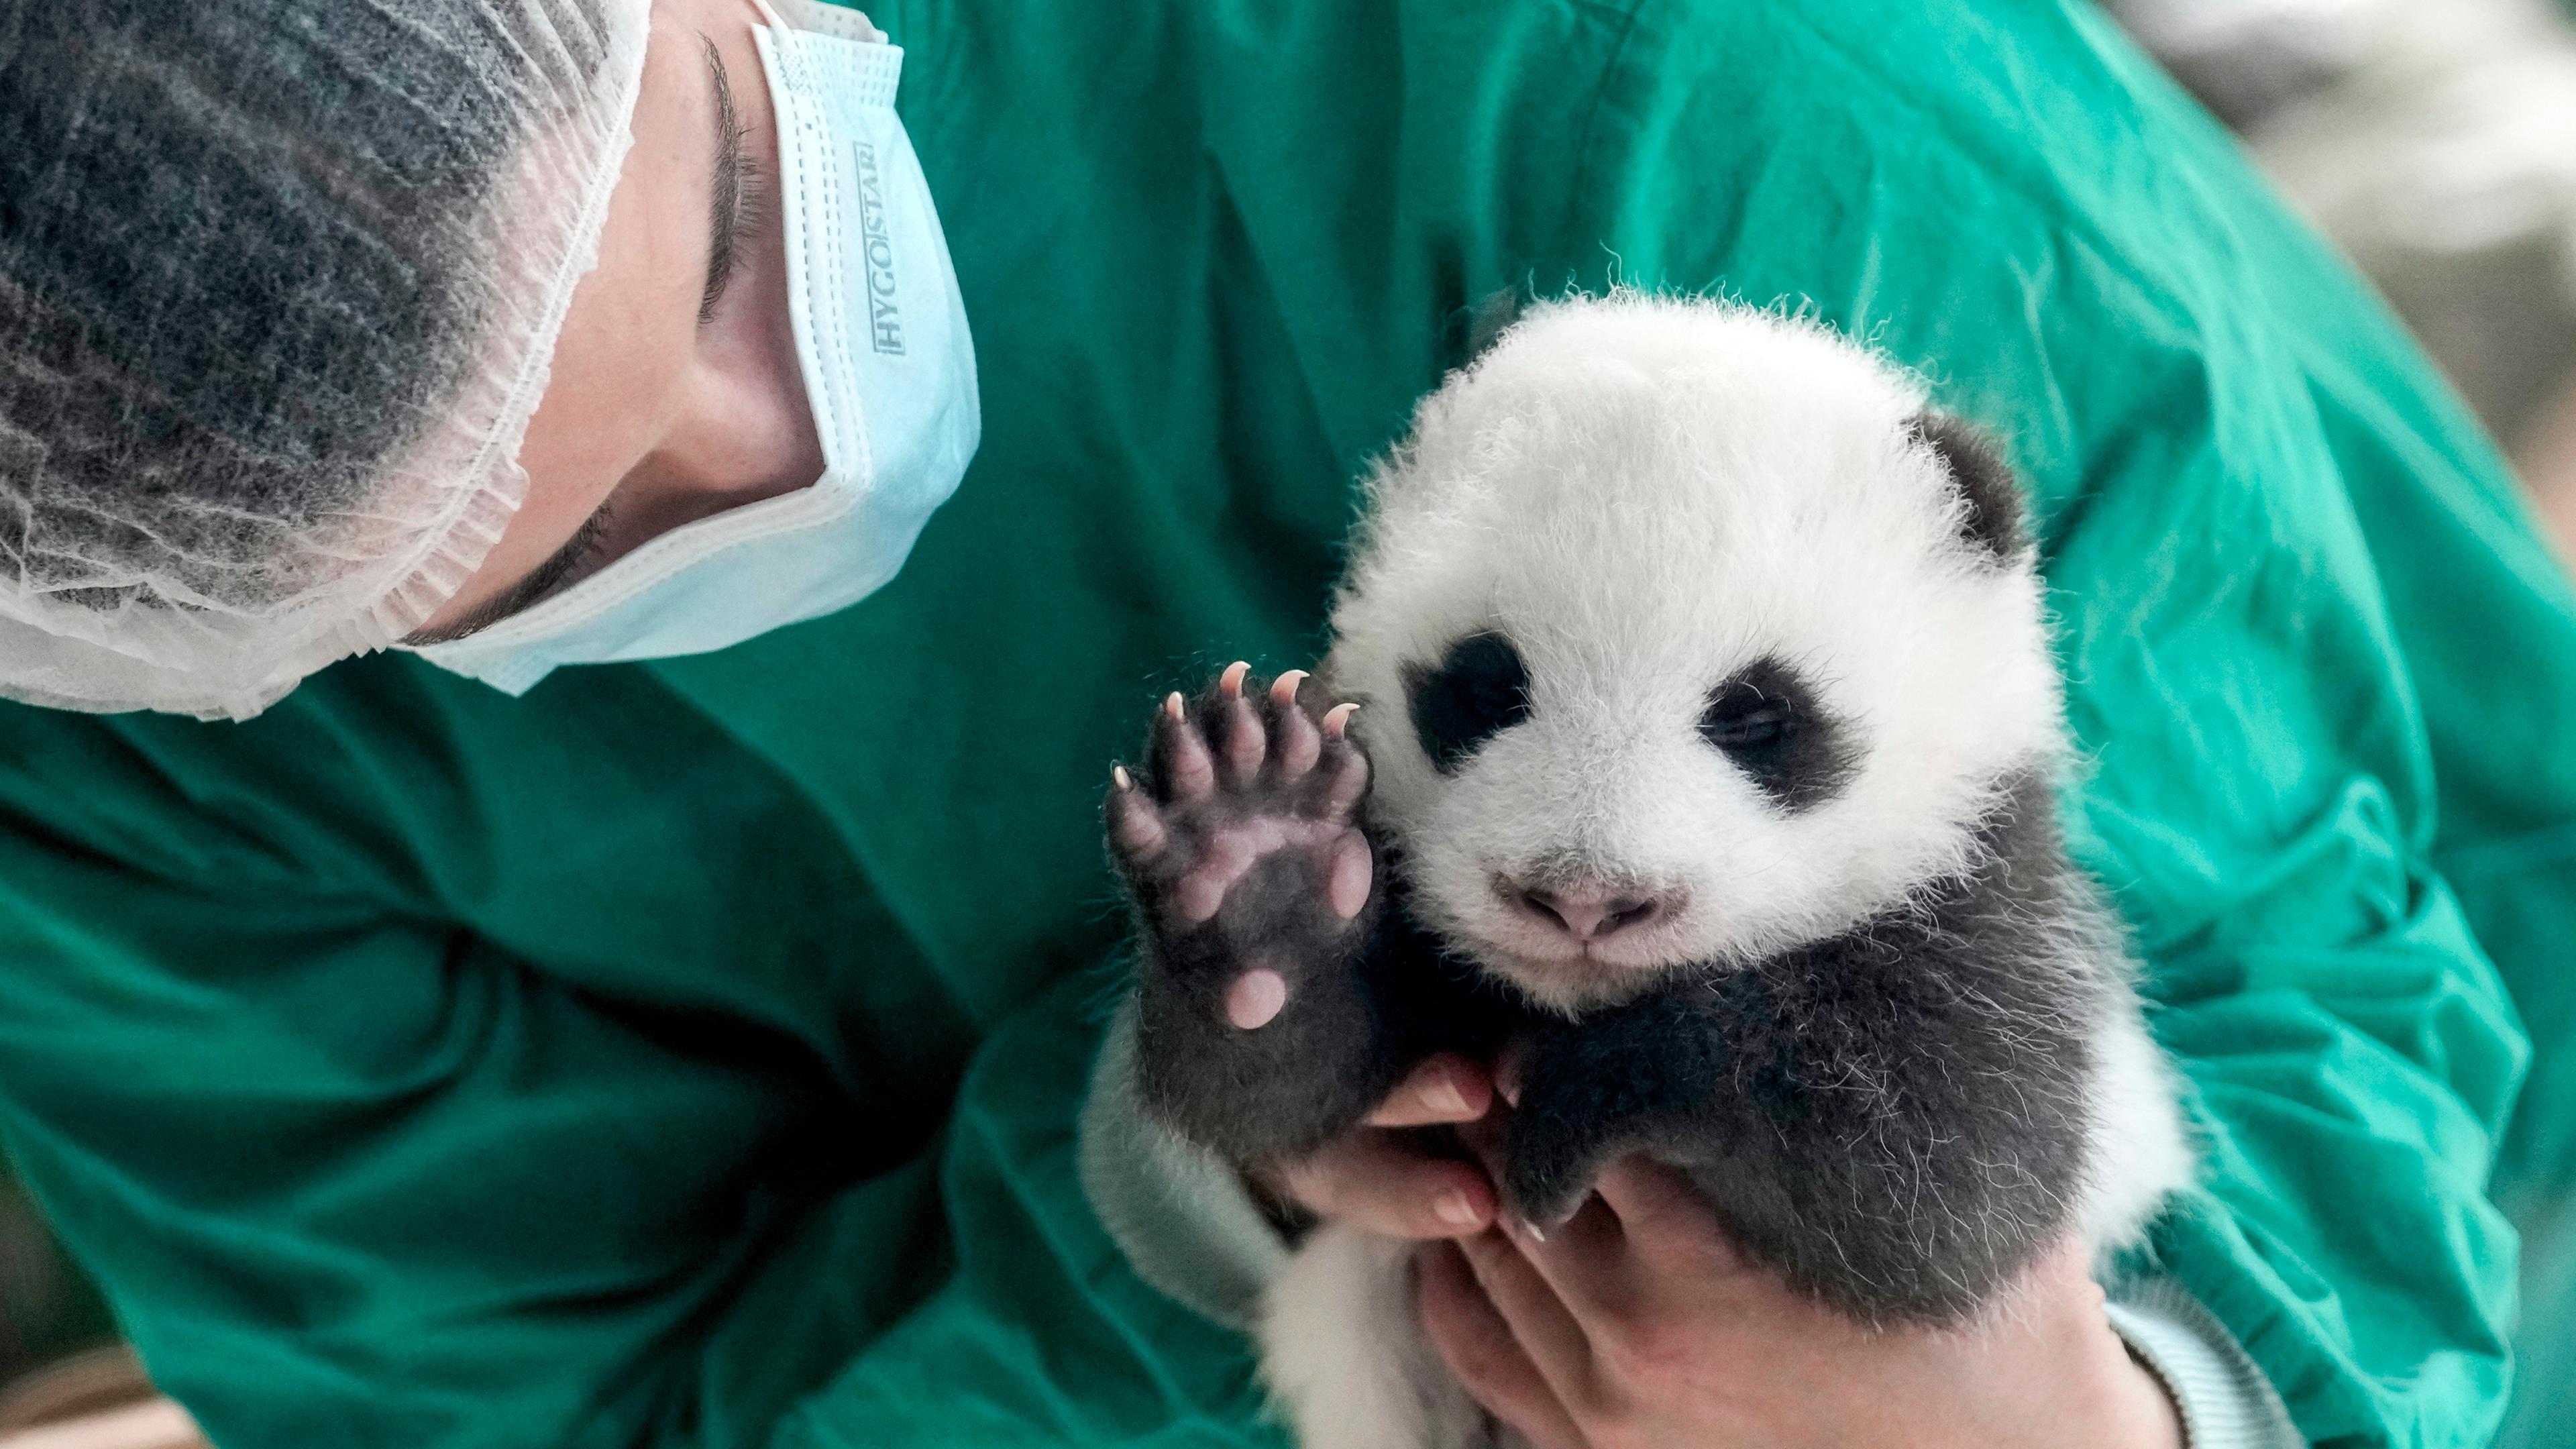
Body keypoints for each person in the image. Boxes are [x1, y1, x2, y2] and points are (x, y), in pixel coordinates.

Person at [0, 0, 2564, 1446]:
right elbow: (546, 1415)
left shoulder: (1601, 67)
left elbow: (2317, 949)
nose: (779, 455)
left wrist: (2109, 1412)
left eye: (738, 239)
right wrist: (1213, 1176)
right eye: (545, 571)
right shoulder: (111, 790)